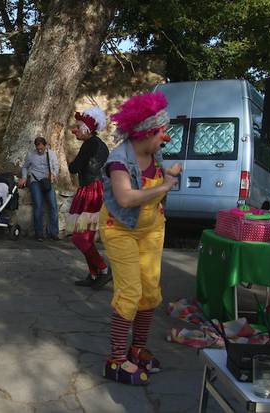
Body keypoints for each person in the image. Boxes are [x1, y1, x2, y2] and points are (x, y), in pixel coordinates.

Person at [100, 92, 180, 385]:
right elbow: (126, 197)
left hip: (151, 228)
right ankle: (116, 360)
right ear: (148, 132)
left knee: (150, 291)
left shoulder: (155, 154)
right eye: (162, 132)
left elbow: (154, 190)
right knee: (130, 293)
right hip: (120, 228)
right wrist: (166, 185)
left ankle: (137, 349)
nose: (166, 137)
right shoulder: (118, 160)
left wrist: (166, 177)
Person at [67, 107, 111, 289]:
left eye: (78, 127)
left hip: (91, 192)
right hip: (91, 190)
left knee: (80, 237)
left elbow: (74, 168)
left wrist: (74, 163)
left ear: (87, 128)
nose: (74, 130)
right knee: (84, 236)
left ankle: (103, 269)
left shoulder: (90, 144)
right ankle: (94, 274)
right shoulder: (99, 144)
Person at [19, 137, 60, 241]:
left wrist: (53, 175)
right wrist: (24, 177)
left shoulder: (51, 154)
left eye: (41, 148)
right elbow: (25, 167)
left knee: (53, 206)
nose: (39, 150)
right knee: (38, 205)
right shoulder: (30, 154)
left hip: (47, 181)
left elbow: (56, 166)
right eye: (38, 148)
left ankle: (54, 232)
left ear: (45, 146)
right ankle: (39, 234)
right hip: (35, 180)